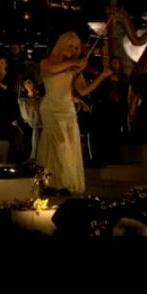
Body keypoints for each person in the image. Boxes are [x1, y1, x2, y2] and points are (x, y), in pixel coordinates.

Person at [37, 32, 110, 195]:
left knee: (69, 147)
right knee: (59, 144)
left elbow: (83, 90)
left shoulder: (74, 68)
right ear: (61, 44)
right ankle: (53, 182)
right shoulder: (47, 62)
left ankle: (62, 184)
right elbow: (53, 69)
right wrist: (75, 63)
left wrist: (101, 77)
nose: (73, 50)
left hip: (68, 110)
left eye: (76, 48)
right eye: (70, 46)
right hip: (51, 109)